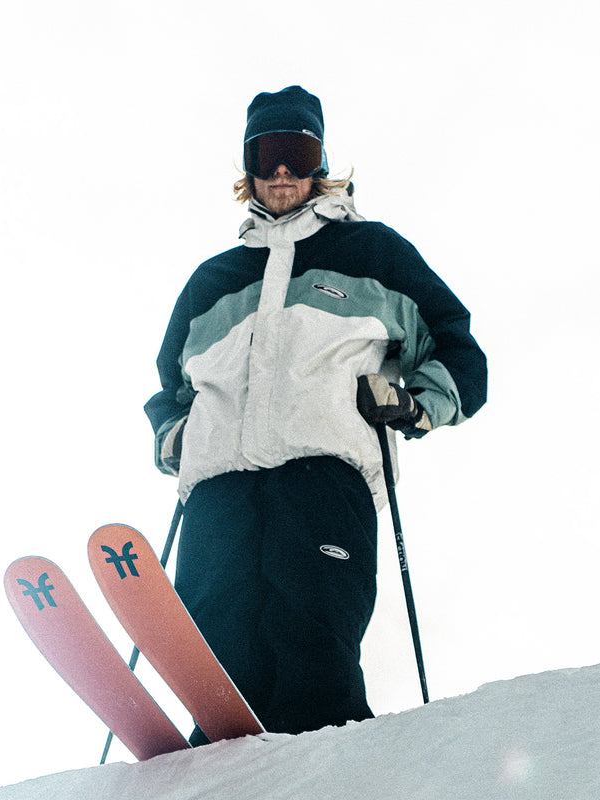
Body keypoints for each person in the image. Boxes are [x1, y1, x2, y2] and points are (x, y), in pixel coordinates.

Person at [144, 85, 487, 744]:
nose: (281, 171)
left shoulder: (375, 253)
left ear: (319, 162)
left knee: (314, 635)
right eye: (268, 154)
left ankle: (328, 763)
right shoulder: (212, 280)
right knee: (218, 649)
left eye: (296, 153)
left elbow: (457, 347)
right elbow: (169, 385)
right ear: (247, 168)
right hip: (219, 481)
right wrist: (175, 435)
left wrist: (416, 404)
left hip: (324, 468)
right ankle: (218, 770)